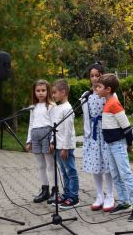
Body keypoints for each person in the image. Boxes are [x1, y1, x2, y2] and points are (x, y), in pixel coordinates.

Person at [94, 74, 133, 222]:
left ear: (108, 89)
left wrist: (129, 144)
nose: (97, 89)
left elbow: (127, 127)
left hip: (118, 145)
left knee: (125, 174)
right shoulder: (107, 103)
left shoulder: (114, 104)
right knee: (115, 174)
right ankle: (124, 202)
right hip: (110, 145)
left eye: (99, 87)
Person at [81, 63, 114, 212]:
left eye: (97, 75)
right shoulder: (86, 96)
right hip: (94, 135)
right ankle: (99, 195)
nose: (94, 79)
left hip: (106, 131)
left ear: (103, 75)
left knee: (107, 165)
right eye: (92, 76)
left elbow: (114, 112)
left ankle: (110, 195)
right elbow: (86, 118)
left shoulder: (109, 94)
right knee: (96, 166)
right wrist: (87, 135)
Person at [26, 79, 56, 204]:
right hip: (35, 135)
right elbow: (31, 124)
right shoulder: (33, 107)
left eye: (43, 90)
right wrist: (29, 140)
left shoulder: (51, 106)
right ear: (34, 92)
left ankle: (55, 190)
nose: (40, 93)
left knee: (50, 164)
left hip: (47, 134)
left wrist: (53, 141)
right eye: (38, 91)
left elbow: (55, 124)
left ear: (48, 91)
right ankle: (45, 190)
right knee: (41, 165)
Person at [50, 79, 79, 209]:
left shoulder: (68, 109)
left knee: (70, 171)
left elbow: (68, 131)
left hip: (65, 146)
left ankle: (74, 196)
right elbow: (54, 127)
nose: (53, 95)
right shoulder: (57, 108)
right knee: (63, 171)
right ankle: (66, 194)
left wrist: (65, 148)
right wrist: (52, 141)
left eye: (55, 93)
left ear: (63, 92)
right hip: (57, 145)